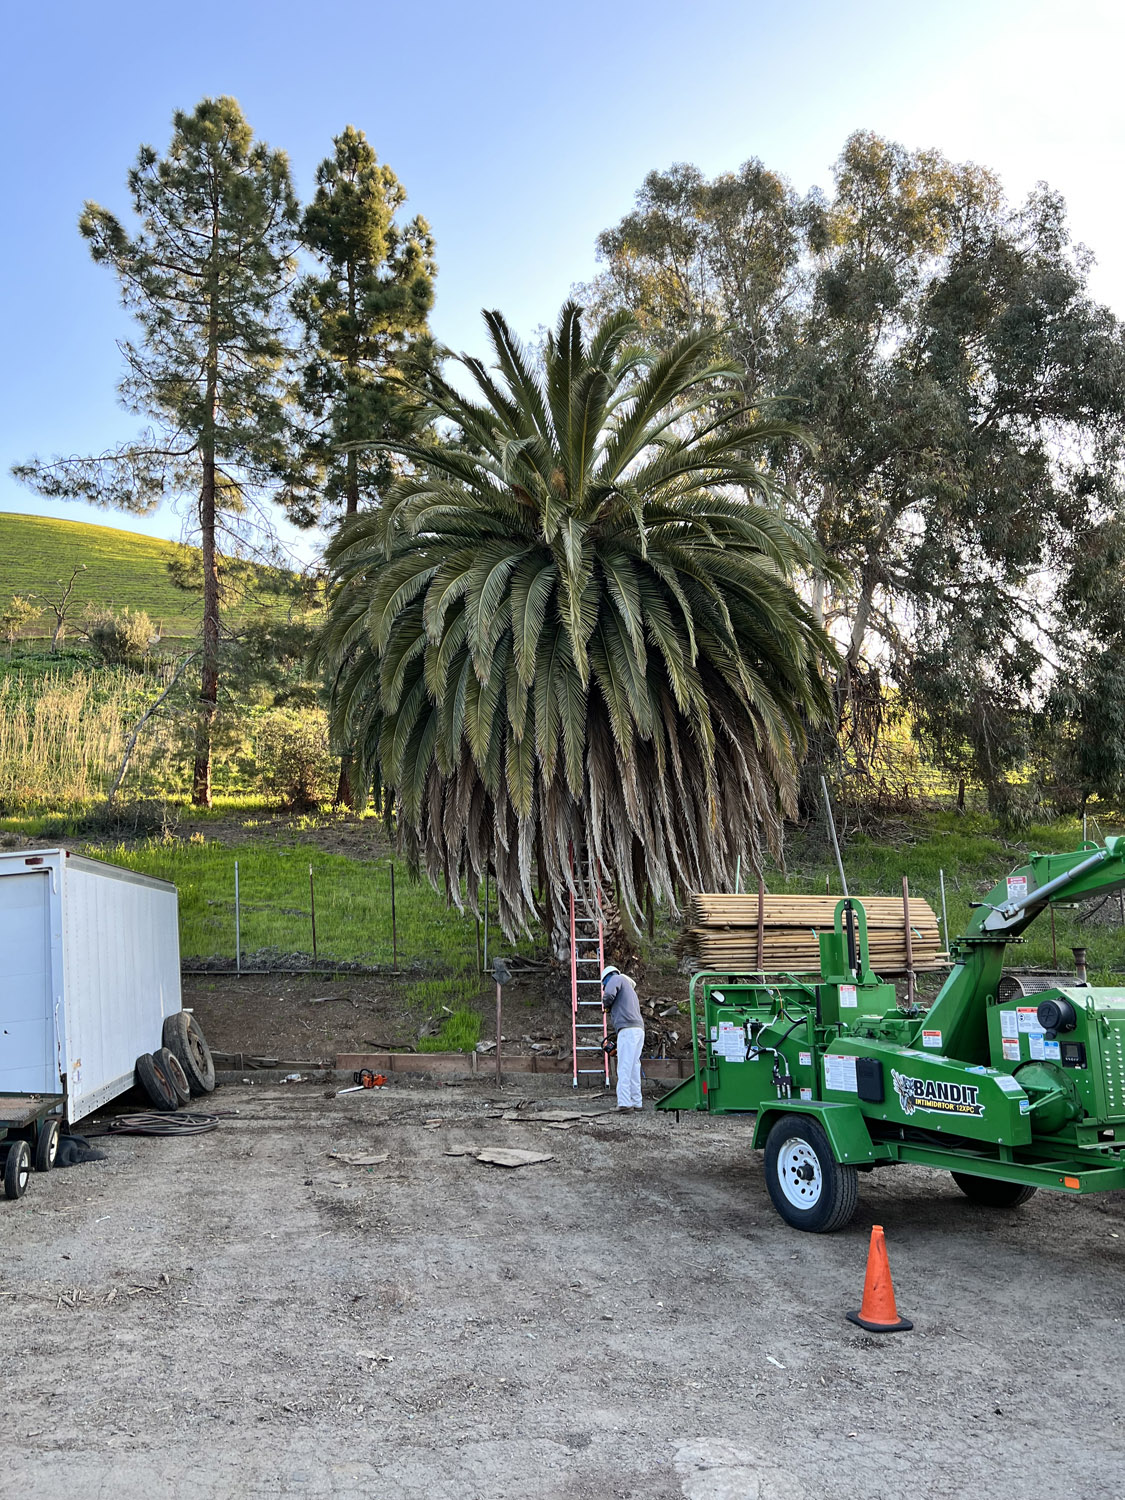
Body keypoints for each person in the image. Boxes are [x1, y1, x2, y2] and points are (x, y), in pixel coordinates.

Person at [601, 964, 644, 1111]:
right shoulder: (629, 988)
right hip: (638, 1029)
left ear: (606, 978)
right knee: (634, 1066)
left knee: (624, 1066)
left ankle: (624, 1103)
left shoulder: (615, 978)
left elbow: (608, 995)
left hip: (627, 1030)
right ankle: (637, 1102)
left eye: (603, 984)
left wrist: (606, 1005)